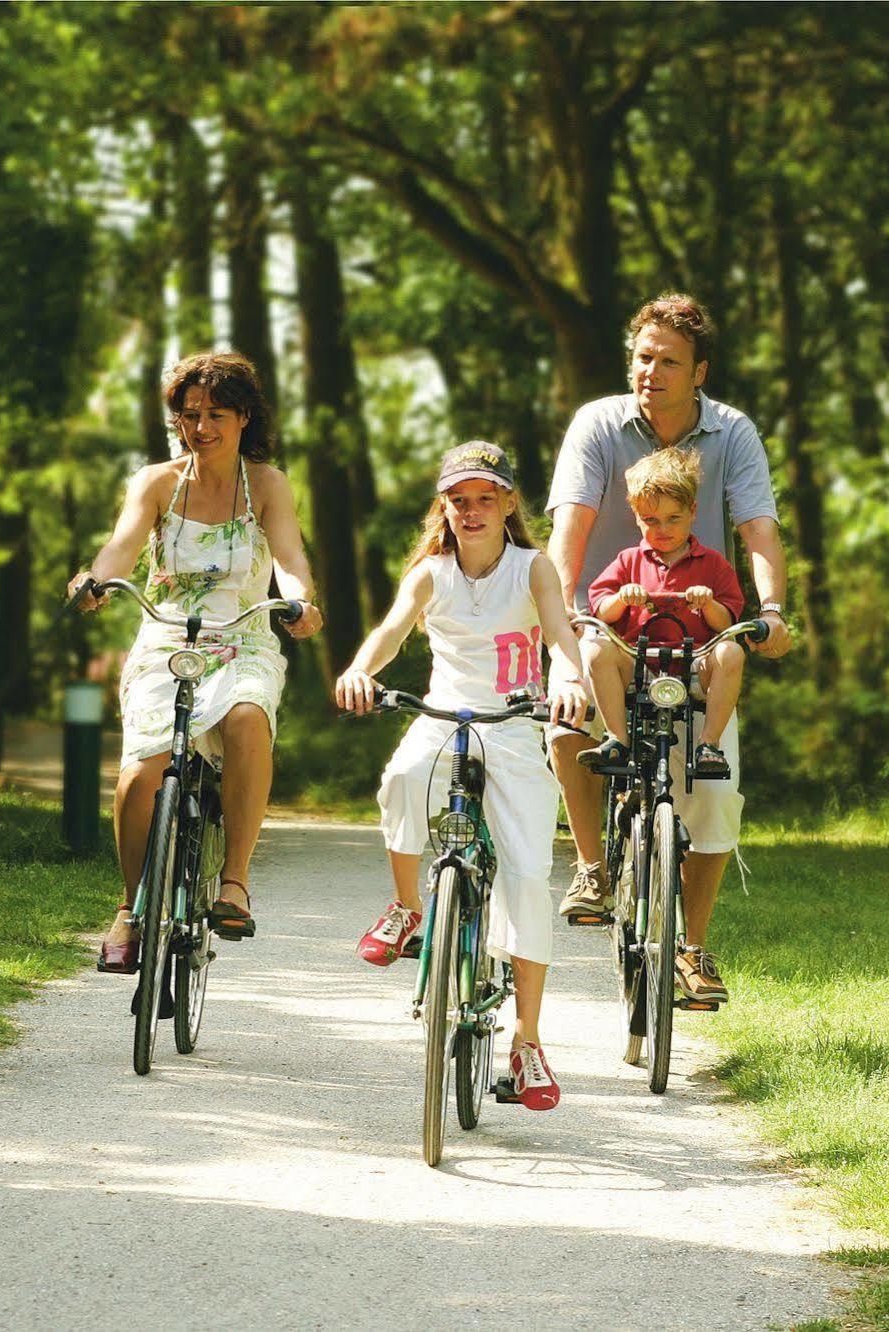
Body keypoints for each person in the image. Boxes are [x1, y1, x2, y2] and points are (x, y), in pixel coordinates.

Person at [545, 294, 791, 1006]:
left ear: (699, 371)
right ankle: (592, 866)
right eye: (641, 357)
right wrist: (565, 628)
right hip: (607, 624)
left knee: (711, 799)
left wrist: (769, 611)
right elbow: (570, 528)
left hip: (694, 638)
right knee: (566, 728)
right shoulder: (597, 424)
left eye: (667, 361)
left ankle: (692, 949)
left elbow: (759, 532)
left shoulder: (732, 433)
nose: (649, 371)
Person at [335, 441, 589, 1111]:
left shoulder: (532, 569)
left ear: (507, 502)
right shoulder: (430, 574)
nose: (471, 512)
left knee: (528, 877)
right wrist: (363, 670)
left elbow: (561, 636)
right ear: (442, 507)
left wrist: (567, 682)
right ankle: (407, 908)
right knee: (400, 779)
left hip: (510, 728)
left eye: (485, 498)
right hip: (442, 717)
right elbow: (390, 631)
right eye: (458, 500)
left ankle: (527, 1040)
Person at [70, 352, 323, 974]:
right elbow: (123, 547)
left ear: (243, 418)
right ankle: (131, 907)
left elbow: (289, 556)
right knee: (141, 771)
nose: (200, 426)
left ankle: (233, 882)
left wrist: (299, 600)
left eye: (215, 414)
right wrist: (94, 580)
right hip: (167, 639)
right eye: (189, 415)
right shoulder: (156, 482)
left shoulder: (266, 484)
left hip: (244, 636)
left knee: (245, 718)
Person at [576, 449, 747, 782]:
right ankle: (617, 740)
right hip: (636, 663)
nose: (662, 529)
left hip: (694, 664)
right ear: (637, 517)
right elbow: (601, 610)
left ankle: (708, 745)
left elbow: (727, 623)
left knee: (732, 651)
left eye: (673, 518)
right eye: (651, 520)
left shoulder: (712, 564)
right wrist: (623, 599)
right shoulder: (628, 560)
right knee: (596, 648)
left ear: (692, 511)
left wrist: (708, 603)